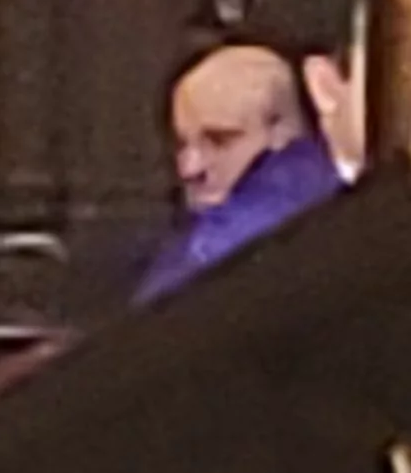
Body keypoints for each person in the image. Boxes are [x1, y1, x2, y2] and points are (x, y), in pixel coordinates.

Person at [137, 39, 341, 304]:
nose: (189, 167)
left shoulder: (240, 238)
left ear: (281, 131)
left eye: (219, 140)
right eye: (181, 144)